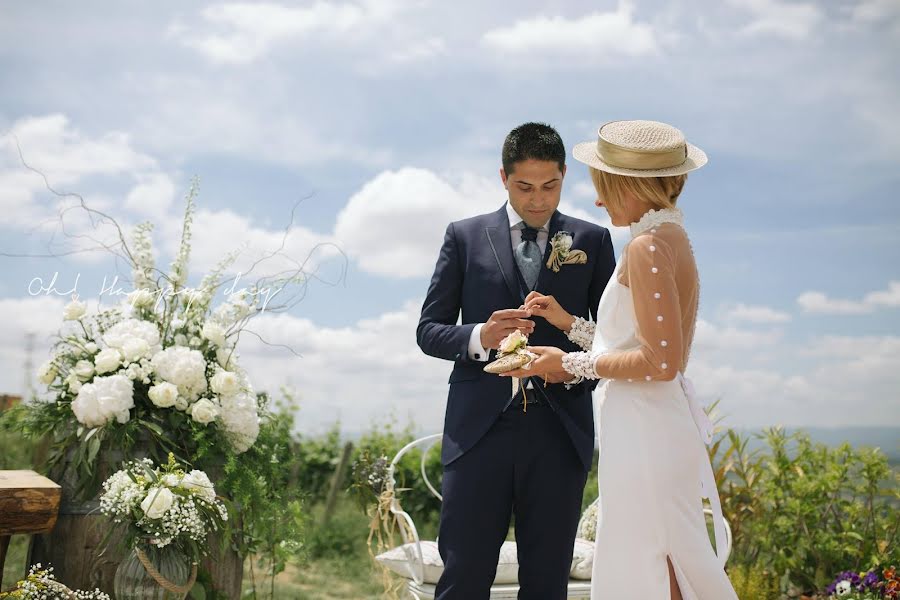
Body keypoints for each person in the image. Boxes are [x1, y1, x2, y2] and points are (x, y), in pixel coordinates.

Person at [502, 120, 738, 599]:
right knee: (664, 555)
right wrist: (570, 323)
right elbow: (638, 342)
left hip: (644, 427)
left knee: (652, 556)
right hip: (651, 420)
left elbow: (658, 361)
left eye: (602, 186)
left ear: (628, 185)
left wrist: (563, 364)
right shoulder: (673, 239)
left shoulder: (646, 247)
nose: (598, 201)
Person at [417, 122, 616, 599]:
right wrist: (480, 335)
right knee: (463, 578)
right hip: (477, 433)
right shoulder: (463, 237)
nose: (538, 200)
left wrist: (567, 351)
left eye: (550, 186)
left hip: (560, 431)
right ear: (503, 178)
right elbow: (428, 330)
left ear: (565, 175)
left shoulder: (593, 240)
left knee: (547, 583)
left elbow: (615, 340)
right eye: (525, 187)